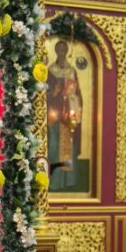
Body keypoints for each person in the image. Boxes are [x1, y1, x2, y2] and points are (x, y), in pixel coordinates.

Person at [46, 40, 82, 191]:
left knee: (69, 147)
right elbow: (46, 94)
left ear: (66, 51)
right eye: (59, 49)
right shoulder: (50, 71)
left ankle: (68, 182)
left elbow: (78, 94)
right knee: (54, 147)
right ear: (55, 51)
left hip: (69, 115)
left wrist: (73, 98)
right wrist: (54, 93)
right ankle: (54, 183)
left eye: (63, 49)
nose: (61, 52)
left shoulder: (71, 71)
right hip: (54, 116)